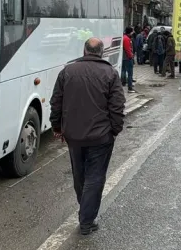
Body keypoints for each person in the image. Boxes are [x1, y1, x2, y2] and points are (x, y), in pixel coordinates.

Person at [49, 38, 125, 236]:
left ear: (84, 50)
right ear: (102, 52)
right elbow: (117, 106)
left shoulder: (68, 71)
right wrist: (115, 129)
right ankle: (87, 220)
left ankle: (85, 210)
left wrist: (57, 127)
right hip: (101, 137)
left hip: (73, 135)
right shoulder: (110, 73)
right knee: (95, 177)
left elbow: (56, 101)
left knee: (80, 175)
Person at [120, 27, 136, 93]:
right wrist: (131, 56)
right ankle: (130, 88)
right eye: (132, 31)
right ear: (130, 32)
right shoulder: (126, 39)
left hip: (123, 58)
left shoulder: (124, 37)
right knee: (130, 73)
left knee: (123, 70)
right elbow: (128, 49)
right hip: (127, 58)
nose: (133, 32)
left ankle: (123, 83)